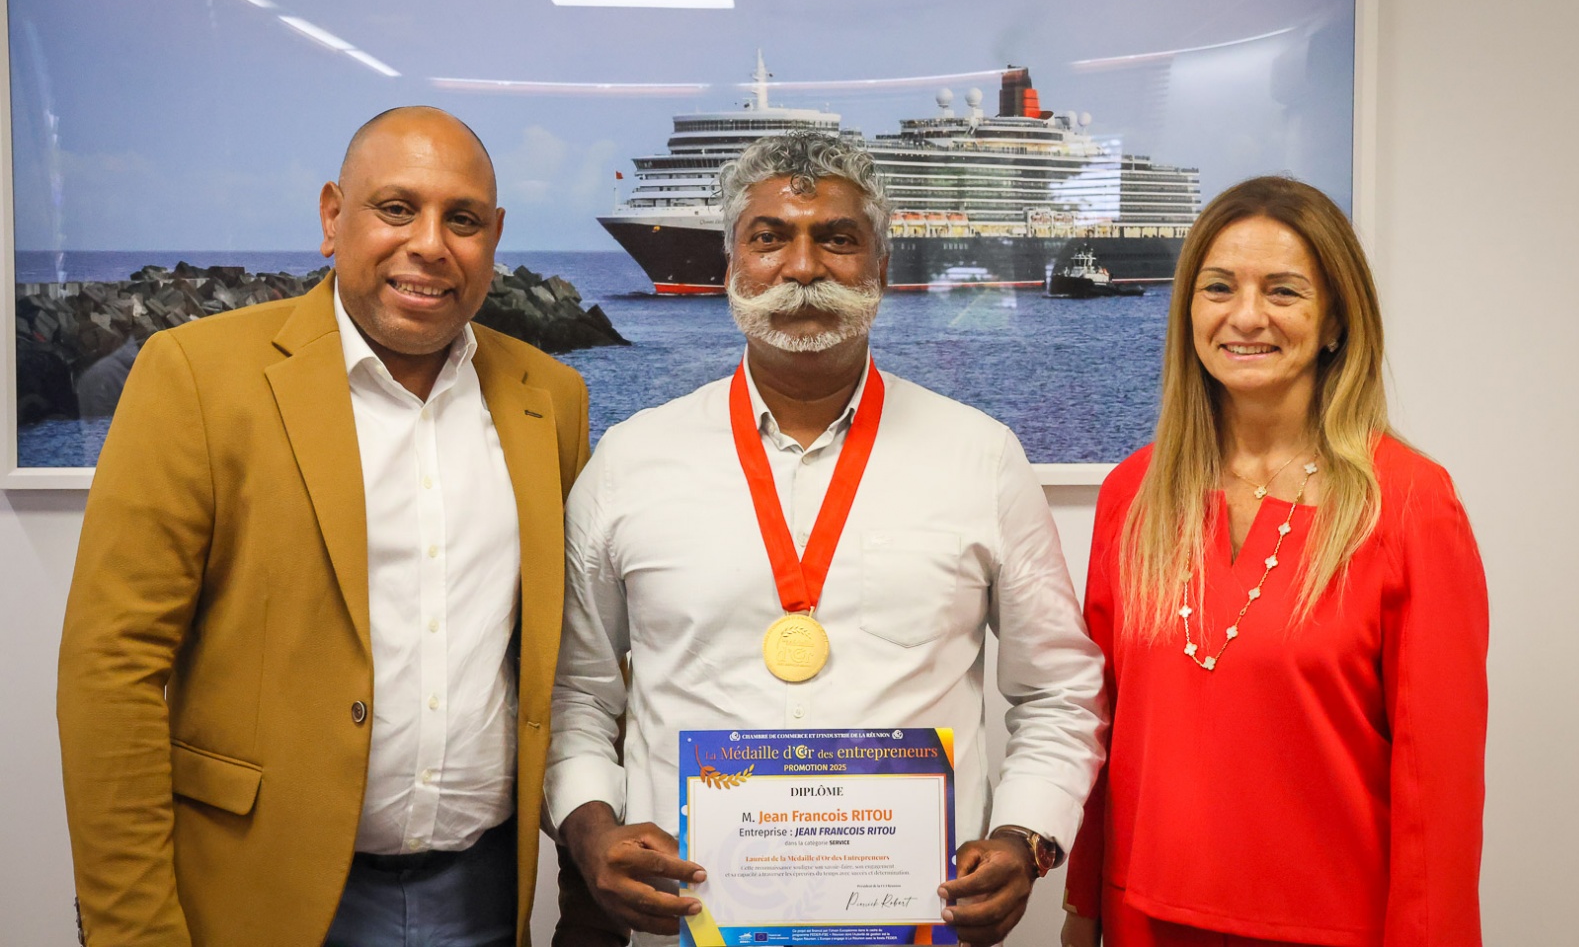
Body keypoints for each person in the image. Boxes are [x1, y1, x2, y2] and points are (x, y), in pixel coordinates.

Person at [545, 131, 1106, 947]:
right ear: (732, 263)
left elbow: (1058, 690)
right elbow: (577, 693)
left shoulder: (981, 458)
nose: (803, 267)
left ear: (882, 266)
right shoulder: (630, 462)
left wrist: (1027, 836)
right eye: (769, 237)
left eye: (837, 239)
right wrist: (591, 829)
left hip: (916, 925)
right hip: (694, 925)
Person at [56, 106, 591, 947]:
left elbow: (567, 660)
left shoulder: (550, 397)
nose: (429, 244)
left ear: (494, 238)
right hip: (255, 892)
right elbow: (111, 670)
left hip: (483, 895)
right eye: (396, 208)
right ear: (332, 217)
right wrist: (132, 929)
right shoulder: (196, 377)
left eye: (462, 220)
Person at [1060, 176, 1488, 947]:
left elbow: (1438, 791)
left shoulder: (1409, 507)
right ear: (1189, 310)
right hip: (1143, 918)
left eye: (1283, 291)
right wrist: (1083, 903)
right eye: (1219, 287)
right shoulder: (1135, 494)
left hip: (1334, 928)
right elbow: (1103, 727)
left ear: (1335, 321)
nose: (1247, 316)